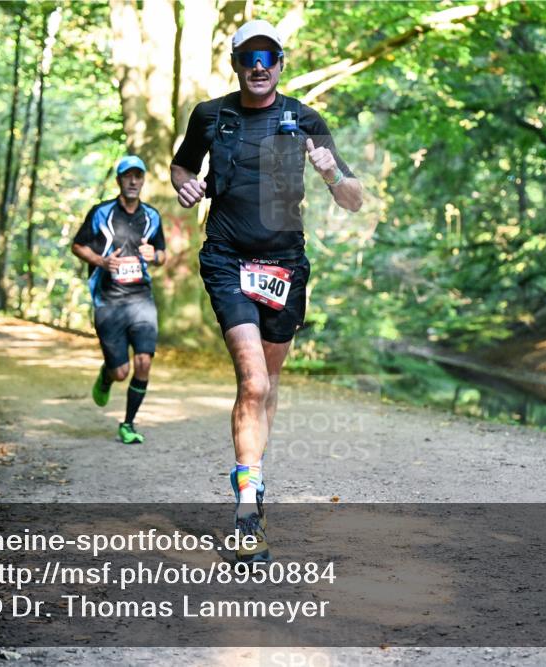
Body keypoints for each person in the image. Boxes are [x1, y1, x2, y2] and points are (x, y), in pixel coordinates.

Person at [170, 19, 362, 562]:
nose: (258, 66)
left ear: (281, 63)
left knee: (269, 381)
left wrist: (329, 173)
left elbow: (354, 199)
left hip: (284, 265)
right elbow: (182, 165)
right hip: (228, 258)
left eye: (268, 57)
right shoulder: (212, 115)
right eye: (248, 57)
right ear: (235, 63)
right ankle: (247, 505)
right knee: (252, 380)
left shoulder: (304, 119)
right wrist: (183, 184)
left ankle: (254, 472)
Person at [72, 156, 167, 444]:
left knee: (143, 361)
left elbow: (162, 254)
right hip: (108, 300)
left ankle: (128, 423)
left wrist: (156, 256)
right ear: (119, 180)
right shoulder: (100, 213)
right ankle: (107, 374)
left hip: (140, 298)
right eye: (128, 176)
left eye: (138, 176)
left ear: (143, 180)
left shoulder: (152, 216)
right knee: (121, 371)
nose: (133, 181)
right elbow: (77, 245)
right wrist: (102, 262)